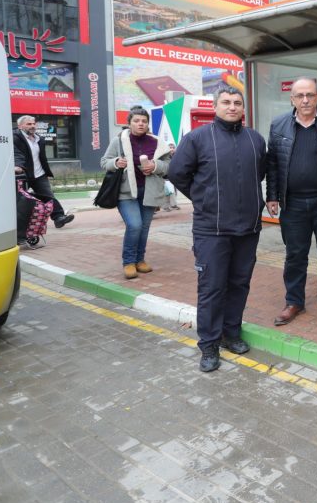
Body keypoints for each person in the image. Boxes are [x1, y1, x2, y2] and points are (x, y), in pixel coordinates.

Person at [168, 86, 267, 373]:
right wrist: (203, 198)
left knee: (239, 283)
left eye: (237, 102)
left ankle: (230, 334)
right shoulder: (197, 138)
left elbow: (259, 173)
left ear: (243, 108)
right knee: (212, 288)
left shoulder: (255, 140)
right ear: (215, 106)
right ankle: (209, 344)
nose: (232, 107)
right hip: (211, 229)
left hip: (248, 228)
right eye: (226, 102)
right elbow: (177, 173)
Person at [266, 77, 317, 326]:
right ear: (292, 99)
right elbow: (273, 164)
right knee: (295, 255)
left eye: (310, 95)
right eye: (300, 95)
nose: (305, 100)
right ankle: (294, 301)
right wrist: (272, 195)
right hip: (293, 204)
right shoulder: (279, 125)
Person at [100, 106, 174, 279]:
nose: (141, 124)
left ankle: (140, 260)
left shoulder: (157, 143)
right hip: (126, 192)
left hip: (149, 191)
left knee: (144, 227)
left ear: (148, 124)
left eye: (144, 121)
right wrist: (116, 162)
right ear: (129, 123)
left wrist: (155, 166)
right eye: (136, 121)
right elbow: (104, 162)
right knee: (135, 225)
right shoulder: (119, 140)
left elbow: (169, 166)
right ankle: (128, 262)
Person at [13, 115, 75, 234]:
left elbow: (41, 158)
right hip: (23, 174)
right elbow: (17, 154)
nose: (32, 126)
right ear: (20, 126)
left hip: (39, 174)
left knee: (48, 196)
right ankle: (22, 227)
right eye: (29, 124)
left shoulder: (39, 139)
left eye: (33, 124)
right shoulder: (15, 137)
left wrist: (46, 171)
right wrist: (18, 166)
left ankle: (59, 217)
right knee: (22, 201)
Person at [162, 143, 180, 211]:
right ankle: (166, 206)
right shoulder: (165, 156)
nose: (171, 149)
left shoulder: (176, 156)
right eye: (170, 147)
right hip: (166, 177)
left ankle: (173, 204)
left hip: (174, 176)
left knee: (173, 191)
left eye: (173, 147)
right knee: (167, 192)